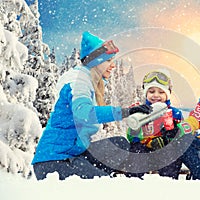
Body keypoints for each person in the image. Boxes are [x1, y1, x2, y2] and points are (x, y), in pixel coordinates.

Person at [31, 31, 152, 180]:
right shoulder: (77, 81)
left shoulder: (90, 82)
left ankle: (98, 177)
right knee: (103, 187)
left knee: (119, 144)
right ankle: (98, 180)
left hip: (75, 155)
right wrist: (126, 111)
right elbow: (85, 113)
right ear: (96, 61)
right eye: (108, 61)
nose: (113, 66)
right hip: (53, 161)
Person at [125, 69, 184, 179]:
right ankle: (133, 181)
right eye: (151, 92)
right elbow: (131, 137)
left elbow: (183, 133)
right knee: (136, 150)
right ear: (146, 93)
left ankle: (168, 181)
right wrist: (135, 132)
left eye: (161, 92)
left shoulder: (174, 113)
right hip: (145, 153)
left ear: (168, 94)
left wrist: (173, 133)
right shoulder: (140, 112)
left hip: (164, 153)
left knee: (171, 150)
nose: (156, 95)